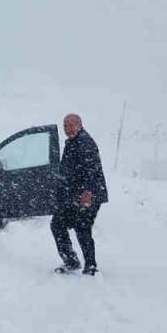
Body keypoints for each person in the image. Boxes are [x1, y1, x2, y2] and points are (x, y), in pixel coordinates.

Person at [51, 113, 108, 275]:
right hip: (76, 195)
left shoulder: (85, 143)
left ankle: (90, 266)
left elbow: (93, 169)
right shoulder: (73, 142)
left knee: (82, 228)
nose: (67, 129)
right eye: (65, 126)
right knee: (58, 223)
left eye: (70, 125)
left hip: (88, 196)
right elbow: (69, 169)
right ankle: (71, 261)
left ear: (79, 125)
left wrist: (88, 192)